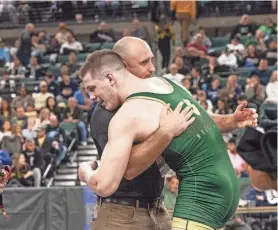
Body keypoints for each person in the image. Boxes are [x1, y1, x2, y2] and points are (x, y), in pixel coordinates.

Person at [79, 47, 258, 230]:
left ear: (110, 78)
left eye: (92, 88)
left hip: (198, 195)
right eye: (144, 62)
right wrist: (165, 133)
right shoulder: (168, 86)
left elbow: (104, 183)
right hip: (220, 190)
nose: (92, 96)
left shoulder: (129, 113)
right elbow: (196, 119)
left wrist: (84, 171)